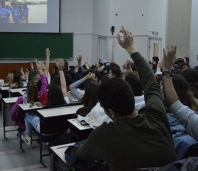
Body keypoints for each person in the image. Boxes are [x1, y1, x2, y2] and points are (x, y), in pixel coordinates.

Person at [75, 26, 176, 170]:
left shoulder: (105, 134)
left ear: (111, 112)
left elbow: (81, 155)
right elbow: (151, 83)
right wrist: (130, 48)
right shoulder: (157, 116)